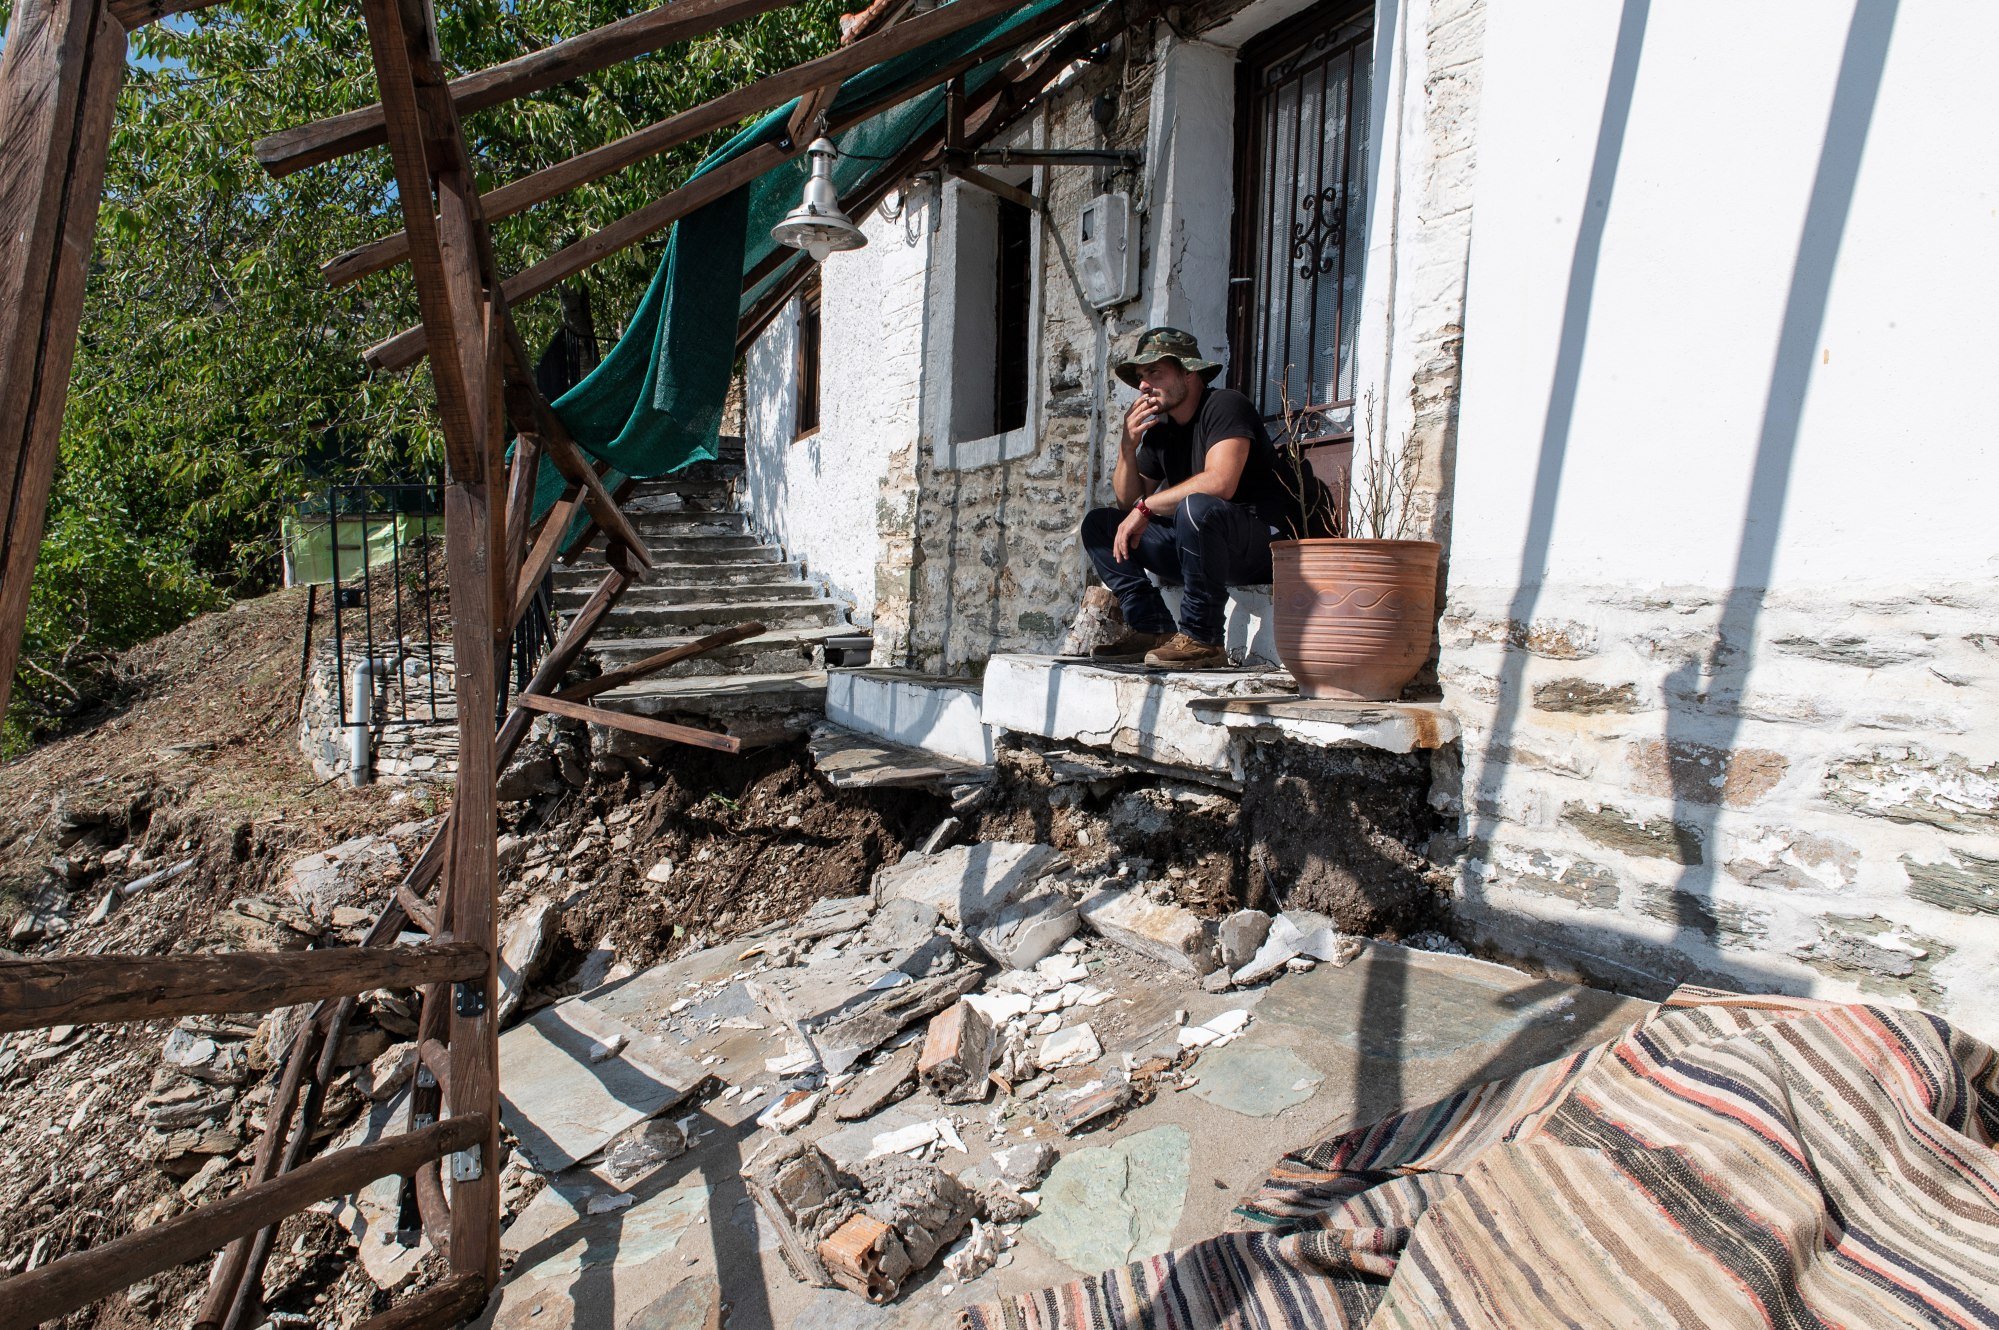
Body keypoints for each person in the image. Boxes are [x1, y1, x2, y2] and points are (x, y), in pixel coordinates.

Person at [1079, 327, 1322, 670]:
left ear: (1188, 371)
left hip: (1258, 545)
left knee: (1197, 507)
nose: (1143, 385)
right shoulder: (1162, 433)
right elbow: (1127, 504)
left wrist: (1147, 508)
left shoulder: (1225, 405)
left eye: (1154, 372)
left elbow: (1220, 482)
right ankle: (1152, 626)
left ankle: (1202, 637)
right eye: (1140, 377)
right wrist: (1127, 447)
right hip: (1198, 549)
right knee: (1100, 525)